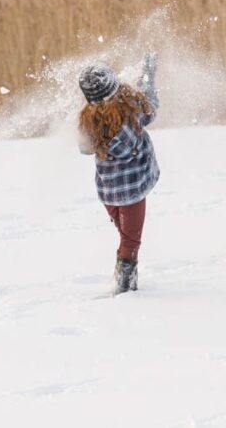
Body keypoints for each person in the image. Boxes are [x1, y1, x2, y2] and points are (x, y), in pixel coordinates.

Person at [78, 53, 159, 294]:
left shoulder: (88, 119)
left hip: (109, 192)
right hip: (134, 191)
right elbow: (151, 109)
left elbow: (84, 148)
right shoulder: (132, 109)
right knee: (130, 238)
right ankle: (125, 284)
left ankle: (122, 275)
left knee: (126, 234)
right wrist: (148, 77)